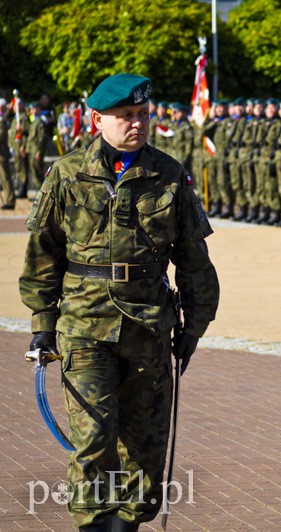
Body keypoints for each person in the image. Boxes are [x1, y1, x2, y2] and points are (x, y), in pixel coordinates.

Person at [19, 73, 220, 531]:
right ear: (97, 119)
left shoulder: (168, 175)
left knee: (145, 446)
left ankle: (127, 525)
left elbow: (194, 261)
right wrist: (41, 323)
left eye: (143, 115)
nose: (137, 123)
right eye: (126, 115)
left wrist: (194, 327)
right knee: (94, 440)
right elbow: (42, 256)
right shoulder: (68, 175)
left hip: (149, 328)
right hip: (84, 328)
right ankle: (93, 524)